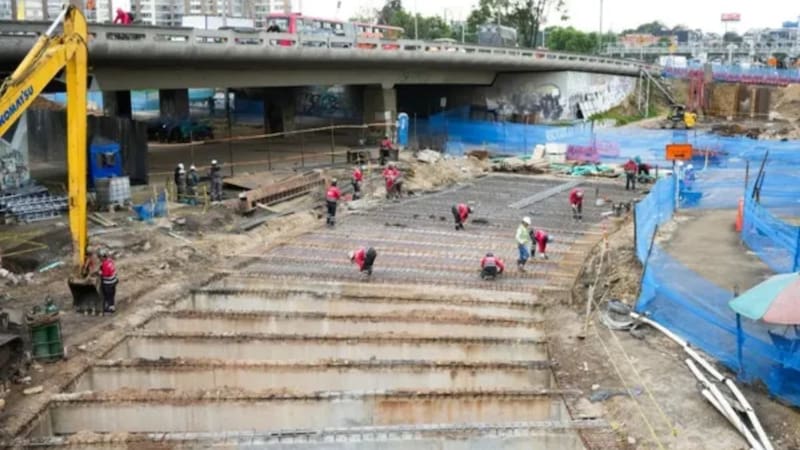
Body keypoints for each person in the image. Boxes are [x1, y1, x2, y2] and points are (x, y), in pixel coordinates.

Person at [98, 249, 118, 314]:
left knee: (108, 295)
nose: (99, 259)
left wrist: (100, 273)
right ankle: (112, 306)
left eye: (100, 257)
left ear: (102, 257)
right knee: (112, 295)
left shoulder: (105, 264)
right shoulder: (110, 261)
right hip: (114, 281)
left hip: (108, 283)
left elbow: (106, 274)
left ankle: (110, 309)